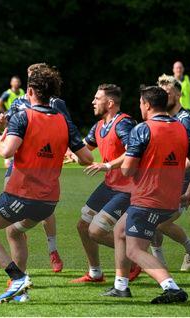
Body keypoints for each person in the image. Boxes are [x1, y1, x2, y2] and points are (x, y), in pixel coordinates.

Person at [0, 64, 93, 303]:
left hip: (20, 195)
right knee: (14, 231)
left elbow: (6, 151)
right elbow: (86, 158)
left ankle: (16, 277)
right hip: (48, 203)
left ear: (31, 91)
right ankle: (21, 292)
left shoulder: (23, 116)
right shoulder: (64, 121)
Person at [107, 86, 190, 303]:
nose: (140, 107)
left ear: (148, 105)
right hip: (171, 199)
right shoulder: (182, 128)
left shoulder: (142, 129)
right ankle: (120, 286)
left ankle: (171, 287)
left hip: (147, 198)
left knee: (134, 251)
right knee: (120, 230)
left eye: (141, 104)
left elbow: (127, 170)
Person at [0, 63, 81, 273]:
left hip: (44, 163)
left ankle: (52, 250)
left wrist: (69, 150)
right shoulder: (18, 103)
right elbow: (10, 132)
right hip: (19, 162)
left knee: (43, 207)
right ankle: (20, 268)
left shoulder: (56, 103)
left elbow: (66, 129)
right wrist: (1, 126)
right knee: (12, 211)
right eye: (30, 76)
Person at [70, 84, 140, 284]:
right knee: (83, 225)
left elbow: (133, 151)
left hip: (127, 188)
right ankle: (95, 273)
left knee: (96, 231)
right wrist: (68, 154)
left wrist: (108, 165)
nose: (93, 102)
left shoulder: (123, 124)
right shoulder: (99, 126)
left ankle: (135, 258)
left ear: (109, 103)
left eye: (97, 98)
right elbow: (83, 149)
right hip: (110, 185)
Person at [149, 74, 190, 270]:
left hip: (180, 183)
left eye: (168, 93)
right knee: (150, 219)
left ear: (179, 95)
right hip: (161, 182)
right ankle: (160, 261)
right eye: (161, 92)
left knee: (161, 223)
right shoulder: (162, 119)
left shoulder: (186, 121)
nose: (163, 96)